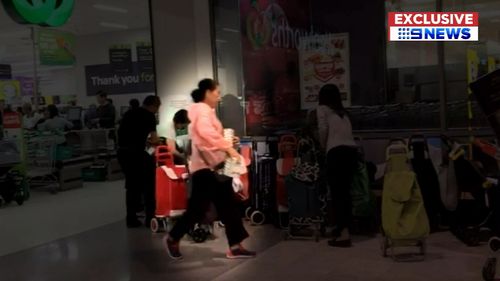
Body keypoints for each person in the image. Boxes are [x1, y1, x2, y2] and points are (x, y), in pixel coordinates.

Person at [164, 78, 255, 260]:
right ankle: (173, 237)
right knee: (199, 209)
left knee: (227, 207)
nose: (219, 96)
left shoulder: (206, 111)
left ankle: (235, 246)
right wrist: (227, 148)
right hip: (206, 169)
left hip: (214, 168)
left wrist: (227, 143)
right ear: (207, 92)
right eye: (217, 92)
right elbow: (205, 136)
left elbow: (211, 137)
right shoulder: (201, 111)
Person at [317, 84, 358, 248]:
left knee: (337, 194)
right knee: (345, 194)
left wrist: (322, 146)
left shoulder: (322, 109)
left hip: (336, 153)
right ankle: (344, 228)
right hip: (351, 153)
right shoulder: (343, 113)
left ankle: (343, 234)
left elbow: (322, 129)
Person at [117, 95, 161, 228]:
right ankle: (150, 218)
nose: (157, 111)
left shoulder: (129, 113)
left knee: (131, 187)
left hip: (124, 154)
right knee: (148, 186)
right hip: (140, 155)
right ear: (154, 105)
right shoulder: (149, 116)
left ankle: (131, 218)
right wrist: (155, 144)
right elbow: (154, 139)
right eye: (157, 108)